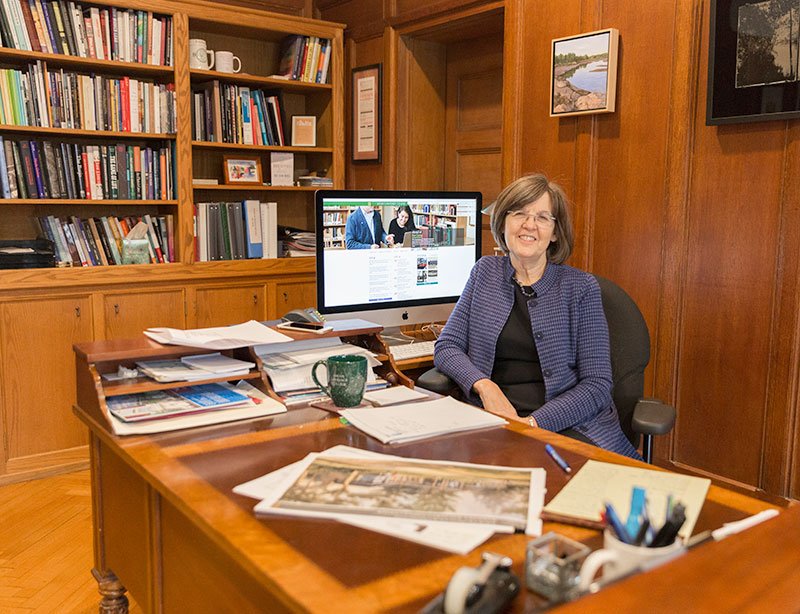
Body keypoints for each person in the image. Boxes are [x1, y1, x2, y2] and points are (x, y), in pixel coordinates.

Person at [433, 174, 640, 459]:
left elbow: (597, 386)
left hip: (566, 424)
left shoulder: (580, 288)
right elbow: (447, 347)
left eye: (542, 217)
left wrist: (532, 424)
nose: (529, 225)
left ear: (555, 232)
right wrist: (485, 387)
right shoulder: (484, 273)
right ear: (503, 222)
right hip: (492, 418)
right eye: (519, 213)